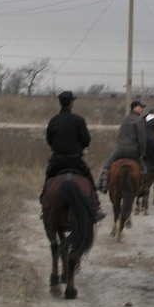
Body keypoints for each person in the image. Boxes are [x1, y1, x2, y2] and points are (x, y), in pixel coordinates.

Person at [43, 91, 104, 222]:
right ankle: (96, 206)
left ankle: (44, 207)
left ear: (61, 103)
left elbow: (49, 140)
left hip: (57, 160)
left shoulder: (53, 120)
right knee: (88, 178)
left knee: (48, 179)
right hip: (75, 160)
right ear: (71, 103)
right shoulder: (78, 120)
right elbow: (86, 140)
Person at [97, 100, 148, 193]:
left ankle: (102, 186)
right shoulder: (139, 120)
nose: (142, 109)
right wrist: (142, 153)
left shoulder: (124, 119)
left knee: (106, 166)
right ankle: (144, 189)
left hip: (120, 150)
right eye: (140, 107)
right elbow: (141, 139)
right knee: (144, 170)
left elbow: (120, 136)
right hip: (133, 151)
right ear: (134, 108)